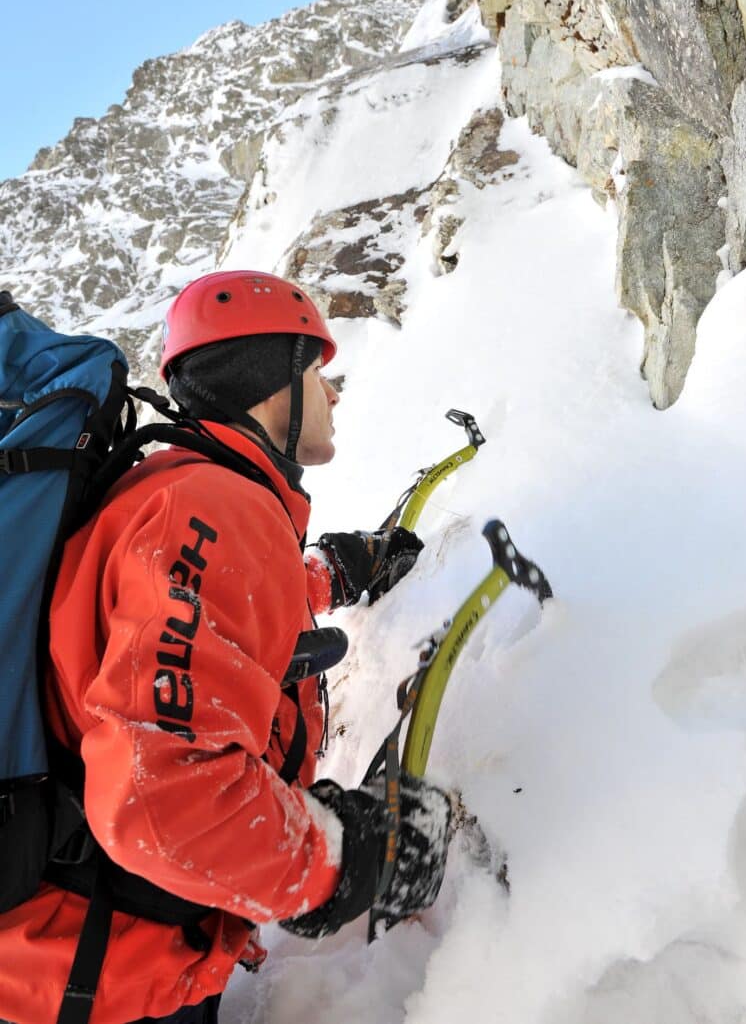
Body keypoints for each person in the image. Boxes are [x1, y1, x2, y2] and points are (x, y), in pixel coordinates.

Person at [0, 270, 451, 1024]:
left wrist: (333, 575)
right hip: (102, 969)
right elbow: (162, 793)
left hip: (87, 949)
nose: (334, 393)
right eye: (317, 370)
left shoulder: (180, 488)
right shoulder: (210, 504)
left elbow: (206, 613)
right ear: (269, 378)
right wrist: (345, 858)